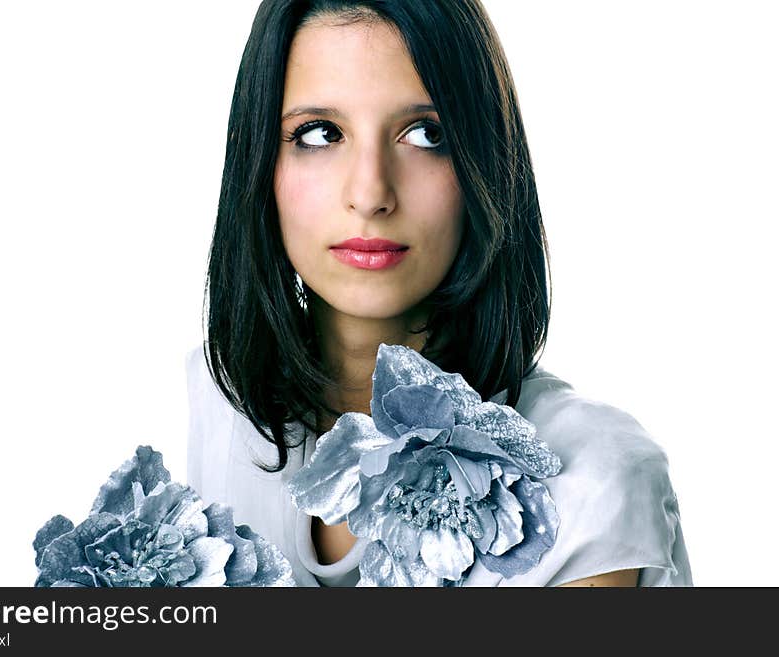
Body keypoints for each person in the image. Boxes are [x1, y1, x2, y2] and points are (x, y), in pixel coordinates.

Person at [186, 0, 693, 587]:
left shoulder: (592, 473)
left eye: (426, 134)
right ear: (257, 161)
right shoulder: (224, 394)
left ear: (484, 160)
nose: (370, 192)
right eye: (320, 133)